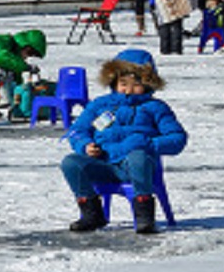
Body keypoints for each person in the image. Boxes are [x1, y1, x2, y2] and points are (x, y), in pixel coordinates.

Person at [62, 48, 188, 234]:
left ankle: (144, 215)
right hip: (103, 164)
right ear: (114, 82)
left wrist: (149, 144)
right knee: (71, 163)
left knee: (138, 156)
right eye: (123, 83)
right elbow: (77, 131)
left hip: (136, 167)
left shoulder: (155, 107)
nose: (129, 90)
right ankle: (92, 213)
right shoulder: (100, 105)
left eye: (136, 84)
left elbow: (178, 138)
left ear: (147, 83)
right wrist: (85, 146)